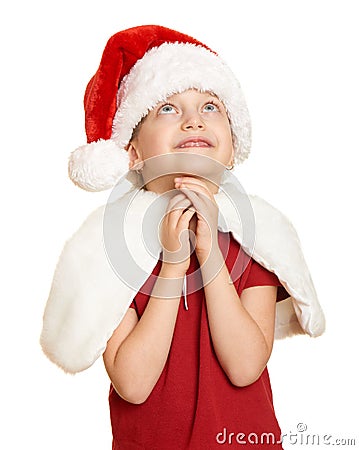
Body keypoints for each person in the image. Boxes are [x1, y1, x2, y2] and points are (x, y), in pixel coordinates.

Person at [40, 25, 325, 449]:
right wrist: (173, 266)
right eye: (167, 109)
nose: (194, 118)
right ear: (133, 154)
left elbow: (246, 366)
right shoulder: (112, 250)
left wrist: (211, 257)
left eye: (211, 105)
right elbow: (133, 383)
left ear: (232, 147)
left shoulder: (257, 242)